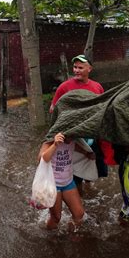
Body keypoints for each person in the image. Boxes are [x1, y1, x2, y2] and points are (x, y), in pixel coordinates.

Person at [49, 54, 109, 195]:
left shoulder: (97, 87)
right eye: (75, 67)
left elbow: (102, 109)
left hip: (92, 133)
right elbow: (54, 109)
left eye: (80, 67)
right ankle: (79, 196)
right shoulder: (64, 87)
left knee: (93, 162)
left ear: (89, 69)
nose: (76, 70)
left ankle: (88, 186)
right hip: (74, 136)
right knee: (75, 172)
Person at [39, 132, 94, 231]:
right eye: (69, 136)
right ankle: (50, 237)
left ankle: (71, 233)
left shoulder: (73, 141)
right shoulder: (49, 142)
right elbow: (41, 159)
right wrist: (55, 144)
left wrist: (87, 154)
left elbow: (77, 148)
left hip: (68, 182)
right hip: (53, 184)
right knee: (56, 218)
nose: (71, 138)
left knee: (79, 214)